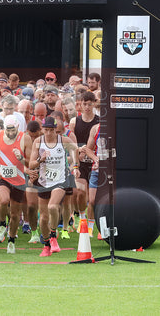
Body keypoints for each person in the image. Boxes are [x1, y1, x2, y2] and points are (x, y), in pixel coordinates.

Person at [29, 117, 80, 257]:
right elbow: (32, 164)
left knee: (53, 206)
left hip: (60, 181)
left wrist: (74, 166)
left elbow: (75, 151)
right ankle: (46, 245)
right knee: (43, 219)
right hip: (44, 182)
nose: (49, 133)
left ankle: (53, 236)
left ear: (56, 130)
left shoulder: (63, 140)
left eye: (52, 130)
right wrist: (41, 159)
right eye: (46, 130)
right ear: (43, 129)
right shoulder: (38, 142)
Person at [0, 115, 32, 254]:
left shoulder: (25, 138)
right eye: (7, 130)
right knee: (3, 201)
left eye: (12, 130)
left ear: (17, 128)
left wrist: (20, 157)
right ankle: (2, 223)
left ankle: (11, 240)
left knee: (15, 215)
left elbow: (30, 163)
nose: (10, 133)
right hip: (3, 177)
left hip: (19, 180)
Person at [69, 91, 99, 236]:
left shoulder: (99, 121)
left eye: (89, 104)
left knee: (92, 198)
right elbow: (71, 143)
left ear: (94, 103)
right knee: (79, 192)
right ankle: (82, 218)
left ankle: (91, 226)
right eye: (84, 104)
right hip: (80, 162)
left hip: (93, 162)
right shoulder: (75, 121)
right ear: (80, 104)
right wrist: (75, 159)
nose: (87, 107)